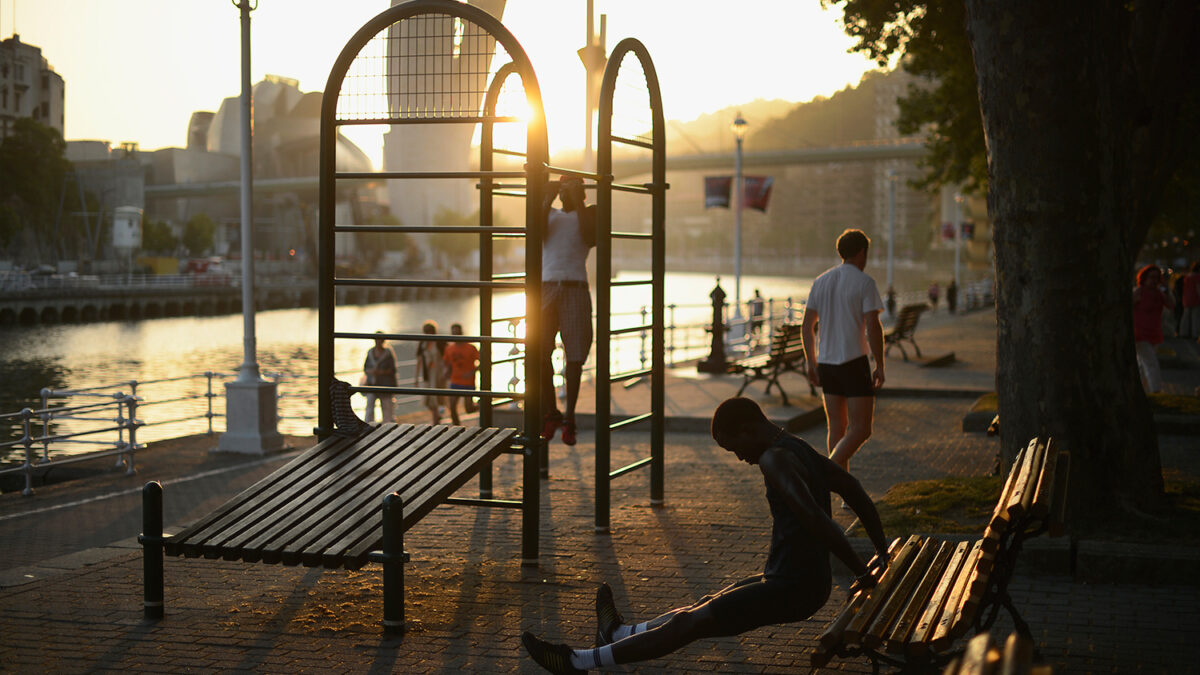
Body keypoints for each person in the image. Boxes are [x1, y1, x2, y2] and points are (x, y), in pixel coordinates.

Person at [521, 397, 890, 674]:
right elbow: (852, 488)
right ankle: (618, 633)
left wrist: (861, 570)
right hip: (793, 581)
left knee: (690, 624)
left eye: (734, 448)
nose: (739, 458)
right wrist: (881, 549)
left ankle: (578, 662)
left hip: (794, 588)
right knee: (705, 604)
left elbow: (813, 517)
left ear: (747, 430)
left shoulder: (773, 459)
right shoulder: (795, 446)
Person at [801, 229, 885, 478]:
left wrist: (810, 362)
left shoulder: (821, 281)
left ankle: (843, 492)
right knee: (861, 429)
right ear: (861, 253)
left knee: (837, 429)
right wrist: (879, 364)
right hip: (853, 362)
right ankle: (824, 473)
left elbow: (807, 326)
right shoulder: (865, 282)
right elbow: (873, 326)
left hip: (826, 363)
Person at [539, 176, 596, 446]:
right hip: (546, 287)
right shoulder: (547, 213)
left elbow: (590, 236)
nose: (566, 193)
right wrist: (547, 197)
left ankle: (569, 416)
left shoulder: (590, 213)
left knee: (574, 357)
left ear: (583, 192)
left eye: (573, 188)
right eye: (564, 188)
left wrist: (579, 201)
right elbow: (535, 233)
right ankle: (551, 411)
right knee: (539, 352)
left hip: (575, 286)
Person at [1133, 264, 1173, 393]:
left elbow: (1171, 305)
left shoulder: (1159, 293)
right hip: (1140, 334)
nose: (1154, 280)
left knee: (1143, 365)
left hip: (1154, 333)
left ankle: (1141, 390)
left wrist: (1167, 290)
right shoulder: (1138, 292)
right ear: (1144, 278)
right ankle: (1156, 390)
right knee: (1151, 363)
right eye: (1152, 277)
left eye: (1157, 277)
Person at [442, 322, 480, 424]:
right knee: (452, 407)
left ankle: (482, 405)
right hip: (455, 381)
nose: (455, 336)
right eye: (453, 333)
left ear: (461, 333)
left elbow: (483, 362)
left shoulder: (471, 347)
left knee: (469, 409)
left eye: (457, 333)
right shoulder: (449, 349)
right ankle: (457, 429)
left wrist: (472, 372)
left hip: (468, 382)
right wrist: (446, 372)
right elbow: (448, 363)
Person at [415, 319, 448, 424]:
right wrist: (416, 377)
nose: (428, 333)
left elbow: (447, 357)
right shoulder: (422, 343)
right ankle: (437, 415)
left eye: (429, 330)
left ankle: (436, 421)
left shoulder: (439, 341)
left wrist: (446, 371)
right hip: (427, 374)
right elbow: (419, 360)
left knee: (437, 398)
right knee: (427, 400)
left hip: (438, 373)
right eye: (426, 331)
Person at [362, 331, 397, 424]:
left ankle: (387, 426)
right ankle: (369, 425)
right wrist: (372, 372)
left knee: (387, 409)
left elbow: (392, 370)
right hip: (372, 384)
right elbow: (365, 368)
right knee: (369, 408)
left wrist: (380, 372)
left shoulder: (388, 353)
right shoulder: (370, 352)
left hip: (385, 385)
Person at [1181, 261, 1200, 340]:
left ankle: (1183, 332)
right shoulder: (1198, 277)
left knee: (1186, 316)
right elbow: (1199, 289)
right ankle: (1194, 334)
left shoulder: (1188, 276)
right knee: (1195, 317)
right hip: (1196, 298)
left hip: (1187, 298)